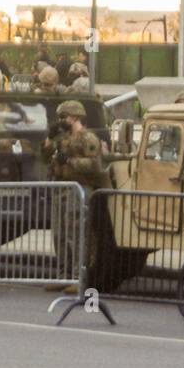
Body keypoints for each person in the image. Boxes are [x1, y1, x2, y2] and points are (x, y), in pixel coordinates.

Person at [41, 100, 110, 293]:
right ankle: (63, 274)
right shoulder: (62, 138)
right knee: (60, 234)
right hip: (61, 187)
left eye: (64, 117)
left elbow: (96, 166)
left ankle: (79, 277)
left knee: (76, 234)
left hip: (79, 188)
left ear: (76, 117)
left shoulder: (88, 138)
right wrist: (49, 139)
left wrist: (71, 161)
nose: (61, 120)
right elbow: (45, 157)